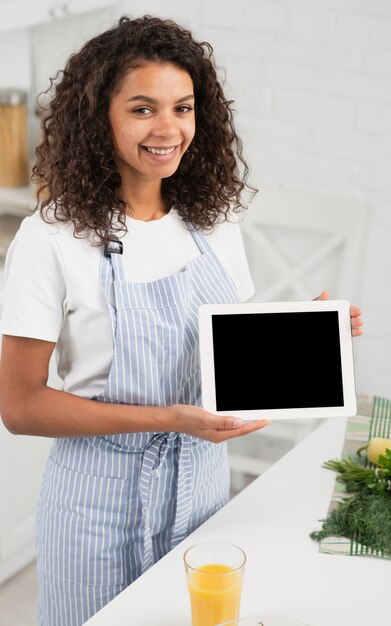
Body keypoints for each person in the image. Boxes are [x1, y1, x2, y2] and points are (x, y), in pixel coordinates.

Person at [0, 14, 363, 626]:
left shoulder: (212, 222)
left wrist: (309, 329)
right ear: (100, 119)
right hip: (96, 503)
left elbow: (229, 350)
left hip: (199, 488)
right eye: (142, 109)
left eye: (183, 107)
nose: (169, 129)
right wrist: (169, 419)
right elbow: (20, 406)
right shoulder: (51, 238)